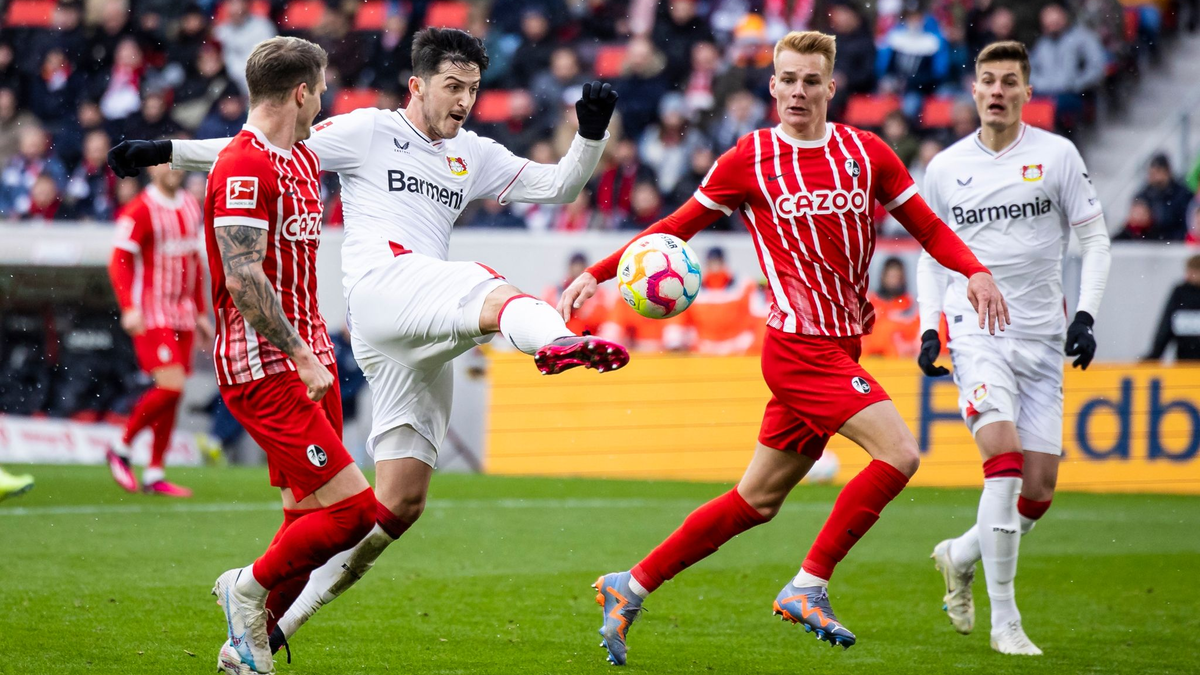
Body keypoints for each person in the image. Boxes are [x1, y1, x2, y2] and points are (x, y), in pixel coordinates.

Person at [109, 27, 625, 659]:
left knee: (396, 507)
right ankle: (557, 340)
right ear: (418, 85)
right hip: (383, 292)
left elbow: (560, 187)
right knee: (486, 284)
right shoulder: (367, 130)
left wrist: (591, 134)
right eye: (452, 86)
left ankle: (267, 632)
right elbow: (261, 142)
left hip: (422, 322)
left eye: (473, 89)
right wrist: (166, 149)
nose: (463, 101)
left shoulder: (476, 153)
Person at [558, 30, 1006, 664]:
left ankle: (629, 584)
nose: (797, 91)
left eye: (809, 80)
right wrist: (596, 273)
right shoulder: (750, 158)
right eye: (787, 79)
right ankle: (809, 584)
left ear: (830, 86)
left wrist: (976, 270)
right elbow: (676, 224)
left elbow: (929, 228)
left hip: (842, 347)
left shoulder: (867, 152)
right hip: (799, 349)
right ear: (771, 86)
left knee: (756, 501)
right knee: (900, 454)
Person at [174, 37, 379, 674]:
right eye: (319, 90)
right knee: (353, 515)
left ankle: (245, 645)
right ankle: (245, 588)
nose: (323, 99)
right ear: (300, 92)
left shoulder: (301, 160)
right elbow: (241, 277)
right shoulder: (242, 167)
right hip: (266, 366)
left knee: (307, 520)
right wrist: (304, 356)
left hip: (307, 357)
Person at [916, 41, 1112, 656]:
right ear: (972, 91)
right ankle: (1006, 621)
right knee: (1000, 461)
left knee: (1037, 492)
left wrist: (1084, 315)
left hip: (1042, 338)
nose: (997, 91)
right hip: (976, 333)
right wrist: (930, 328)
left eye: (1009, 82)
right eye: (987, 81)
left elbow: (1096, 240)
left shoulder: (1056, 155)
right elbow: (929, 256)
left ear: (1028, 93)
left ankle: (960, 552)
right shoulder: (946, 168)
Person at [105, 160, 209, 498]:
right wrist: (129, 308)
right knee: (172, 387)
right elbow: (118, 260)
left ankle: (154, 472)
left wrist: (202, 312)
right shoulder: (139, 210)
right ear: (151, 170)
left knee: (172, 396)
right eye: (167, 163)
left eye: (178, 162)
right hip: (152, 313)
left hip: (183, 315)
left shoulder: (191, 205)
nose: (175, 169)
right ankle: (121, 448)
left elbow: (194, 261)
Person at [1144, 254, 1200, 361]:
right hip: (1185, 363)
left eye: (1194, 272)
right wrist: (1155, 354)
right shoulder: (1181, 293)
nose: (1188, 276)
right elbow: (1166, 326)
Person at [861, 257, 919, 358]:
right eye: (891, 276)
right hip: (868, 361)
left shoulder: (910, 307)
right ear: (883, 276)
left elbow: (915, 338)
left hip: (899, 363)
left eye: (897, 276)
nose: (893, 280)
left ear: (903, 278)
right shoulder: (869, 303)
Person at [1133, 153, 1192, 241]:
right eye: (1152, 173)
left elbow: (1188, 225)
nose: (1155, 177)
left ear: (1167, 172)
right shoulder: (1144, 195)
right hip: (1149, 243)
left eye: (1158, 172)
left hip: (1176, 243)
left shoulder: (1182, 194)